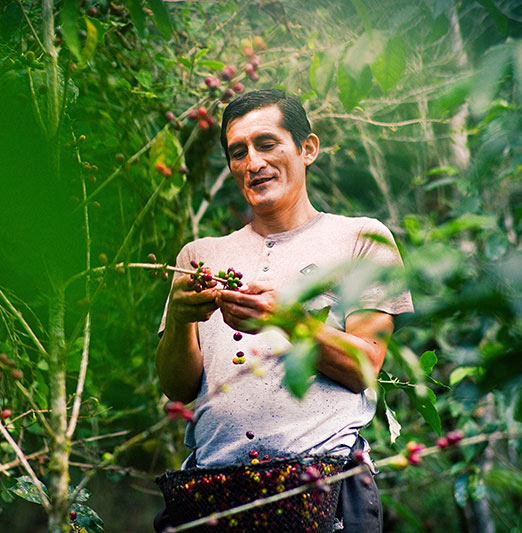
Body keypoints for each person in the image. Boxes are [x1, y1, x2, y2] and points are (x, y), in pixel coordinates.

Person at [154, 89, 414, 531]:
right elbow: (177, 387)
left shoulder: (361, 239)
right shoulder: (199, 256)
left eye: (267, 144)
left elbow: (365, 366)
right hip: (215, 491)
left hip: (322, 486)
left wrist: (284, 318)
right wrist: (180, 320)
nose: (253, 163)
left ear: (307, 148)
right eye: (238, 152)